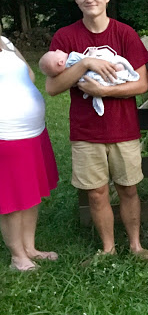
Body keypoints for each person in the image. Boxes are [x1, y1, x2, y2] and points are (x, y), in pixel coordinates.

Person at [45, 0, 148, 262]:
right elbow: (52, 87)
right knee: (95, 193)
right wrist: (85, 64)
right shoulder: (65, 36)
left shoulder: (124, 33)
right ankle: (108, 248)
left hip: (123, 128)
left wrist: (103, 92)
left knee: (128, 189)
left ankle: (136, 246)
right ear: (76, 0)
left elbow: (141, 84)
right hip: (86, 131)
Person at [0, 36, 59, 271]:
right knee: (13, 197)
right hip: (7, 135)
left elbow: (30, 75)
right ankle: (17, 257)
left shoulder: (5, 41)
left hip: (33, 131)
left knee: (30, 192)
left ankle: (30, 248)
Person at [39, 48, 139, 116]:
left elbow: (75, 79)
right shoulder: (72, 57)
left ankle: (118, 77)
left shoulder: (66, 70)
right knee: (111, 70)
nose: (57, 50)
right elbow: (91, 60)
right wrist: (90, 56)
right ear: (60, 62)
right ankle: (120, 73)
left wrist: (103, 91)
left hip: (91, 79)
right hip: (95, 75)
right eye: (55, 52)